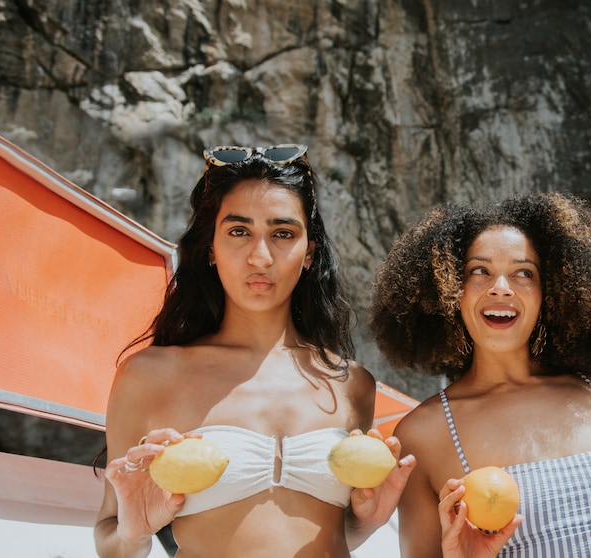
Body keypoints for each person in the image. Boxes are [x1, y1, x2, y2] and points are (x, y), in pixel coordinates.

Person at [94, 144, 415, 557]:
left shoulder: (350, 384)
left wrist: (367, 520)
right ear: (210, 246)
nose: (260, 257)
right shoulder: (149, 375)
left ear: (309, 253)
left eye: (283, 234)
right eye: (239, 231)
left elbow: (332, 537)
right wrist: (134, 532)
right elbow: (111, 538)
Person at [370, 192, 591, 557]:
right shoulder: (422, 434)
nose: (501, 287)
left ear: (552, 292)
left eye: (524, 273)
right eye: (480, 271)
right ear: (449, 291)